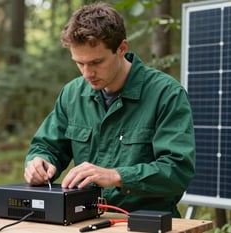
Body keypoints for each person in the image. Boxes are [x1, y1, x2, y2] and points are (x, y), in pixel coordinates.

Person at [24, 2, 195, 218]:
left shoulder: (166, 94)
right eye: (80, 63)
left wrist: (117, 176)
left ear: (122, 48)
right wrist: (39, 161)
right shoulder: (72, 94)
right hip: (86, 219)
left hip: (146, 222)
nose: (87, 73)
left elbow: (178, 171)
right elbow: (47, 146)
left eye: (96, 62)